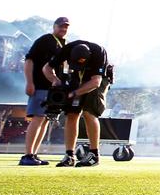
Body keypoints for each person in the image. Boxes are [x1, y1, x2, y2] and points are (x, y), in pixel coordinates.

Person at [43, 39, 111, 168]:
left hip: (96, 79)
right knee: (71, 114)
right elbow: (47, 68)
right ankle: (69, 155)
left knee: (89, 112)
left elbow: (96, 82)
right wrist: (56, 81)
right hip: (76, 77)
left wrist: (74, 93)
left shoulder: (98, 52)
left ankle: (94, 155)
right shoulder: (67, 50)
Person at [18, 16, 70, 166]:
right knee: (38, 118)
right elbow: (29, 60)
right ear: (54, 26)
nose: (63, 29)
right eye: (61, 26)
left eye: (66, 27)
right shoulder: (45, 40)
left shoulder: (63, 44)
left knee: (46, 120)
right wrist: (29, 82)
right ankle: (27, 154)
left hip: (53, 89)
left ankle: (33, 154)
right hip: (40, 85)